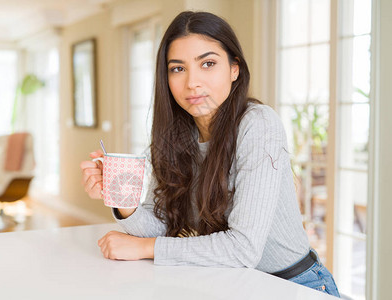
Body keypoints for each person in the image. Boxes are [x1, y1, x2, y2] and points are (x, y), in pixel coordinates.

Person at [80, 11, 340, 297]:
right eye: (178, 68)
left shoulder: (258, 123)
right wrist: (120, 197)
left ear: (234, 69)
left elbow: (243, 249)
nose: (192, 82)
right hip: (231, 284)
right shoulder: (177, 137)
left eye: (208, 63)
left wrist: (143, 248)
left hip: (294, 286)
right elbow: (163, 225)